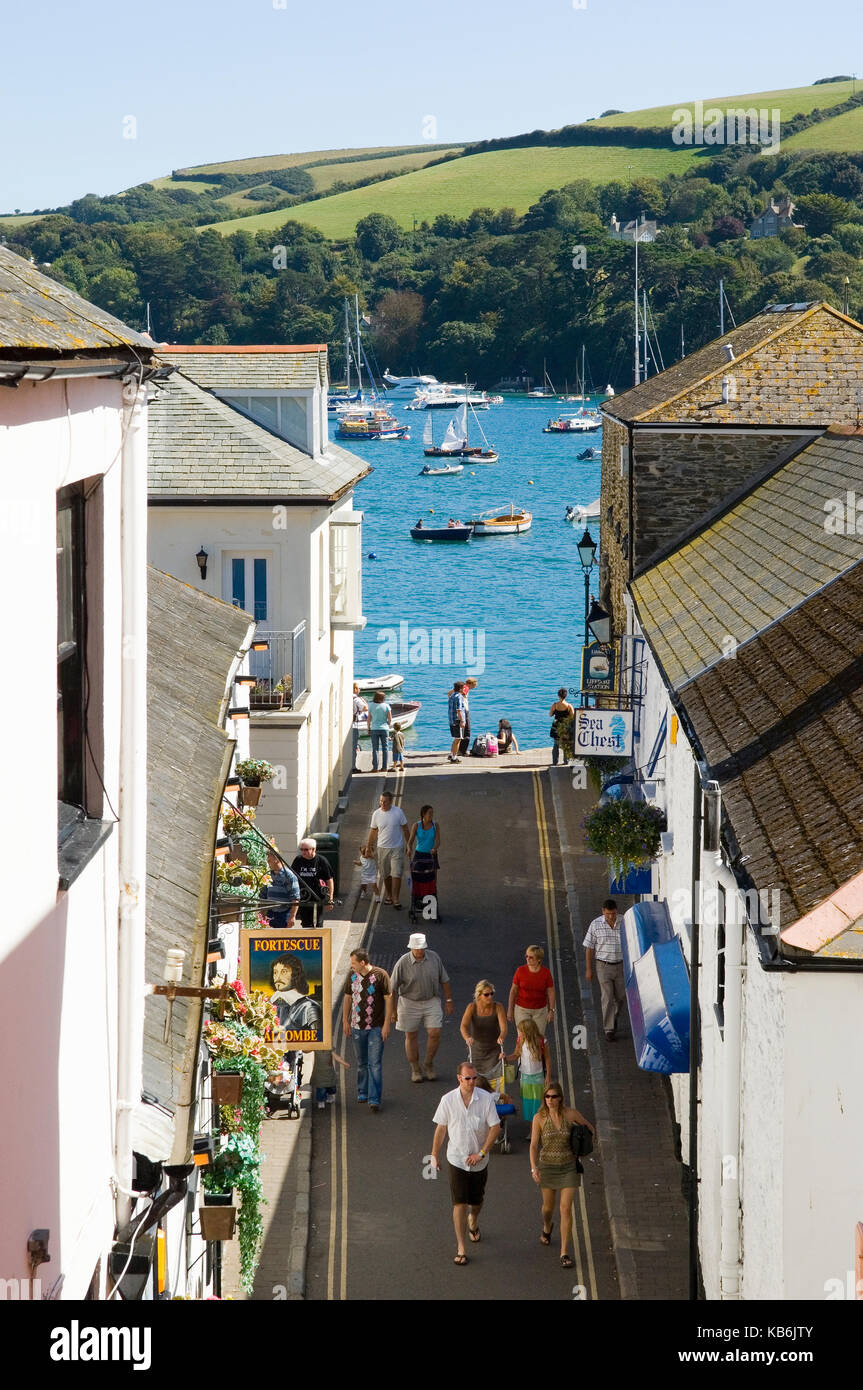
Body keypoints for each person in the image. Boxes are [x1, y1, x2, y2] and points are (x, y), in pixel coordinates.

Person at [431, 1061, 501, 1264]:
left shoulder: (486, 1099)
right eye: (467, 1078)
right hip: (456, 1159)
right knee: (459, 1202)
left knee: (476, 1201)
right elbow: (441, 1129)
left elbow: (495, 1128)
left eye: (474, 1078)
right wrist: (434, 1154)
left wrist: (481, 1153)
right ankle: (461, 1247)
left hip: (479, 1160)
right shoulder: (448, 1100)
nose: (471, 1082)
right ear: (459, 1078)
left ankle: (474, 1219)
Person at [529, 1082, 595, 1268]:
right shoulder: (539, 1118)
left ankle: (564, 1252)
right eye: (547, 1097)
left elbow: (591, 1130)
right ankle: (547, 1226)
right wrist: (534, 1168)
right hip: (547, 1167)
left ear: (560, 1098)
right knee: (547, 1208)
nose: (550, 1100)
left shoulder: (570, 1114)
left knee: (565, 1209)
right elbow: (534, 1145)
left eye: (554, 1096)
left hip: (569, 1168)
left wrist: (583, 1150)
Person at [389, 931, 453, 1082]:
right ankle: (415, 1068)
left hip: (431, 999)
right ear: (411, 948)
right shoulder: (402, 963)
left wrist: (449, 1000)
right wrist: (392, 1011)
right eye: (416, 948)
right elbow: (391, 989)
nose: (419, 951)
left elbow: (444, 979)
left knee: (435, 1032)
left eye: (421, 948)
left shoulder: (434, 957)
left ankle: (428, 1063)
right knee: (411, 1035)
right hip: (408, 1002)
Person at [342, 948, 393, 1113]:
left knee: (375, 1064)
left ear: (362, 962)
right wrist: (345, 1020)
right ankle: (362, 1092)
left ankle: (374, 1099)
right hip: (357, 1027)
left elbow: (389, 999)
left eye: (353, 963)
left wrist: (387, 1024)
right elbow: (348, 997)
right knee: (361, 1063)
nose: (352, 966)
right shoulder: (352, 976)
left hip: (376, 1028)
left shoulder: (380, 975)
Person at [583, 898, 625, 1041]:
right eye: (608, 914)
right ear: (603, 912)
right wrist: (589, 969)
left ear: (616, 911)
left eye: (613, 913)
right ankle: (609, 1029)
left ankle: (613, 1017)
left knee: (620, 997)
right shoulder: (595, 925)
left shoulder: (625, 922)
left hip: (621, 965)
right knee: (607, 997)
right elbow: (589, 948)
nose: (611, 917)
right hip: (603, 966)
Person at [367, 790, 409, 907]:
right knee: (385, 874)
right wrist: (369, 846)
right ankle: (389, 895)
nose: (382, 804)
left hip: (397, 848)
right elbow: (373, 830)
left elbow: (405, 828)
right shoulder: (376, 814)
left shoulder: (398, 812)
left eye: (385, 802)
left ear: (391, 802)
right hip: (382, 848)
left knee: (396, 873)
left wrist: (409, 845)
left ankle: (396, 899)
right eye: (381, 801)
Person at [460, 981, 508, 1079]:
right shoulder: (472, 1007)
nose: (490, 996)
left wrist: (501, 1037)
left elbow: (504, 1028)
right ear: (479, 995)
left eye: (491, 994)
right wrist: (467, 1037)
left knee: (493, 1078)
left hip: (493, 1049)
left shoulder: (498, 1007)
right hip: (476, 1049)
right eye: (486, 994)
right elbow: (463, 1026)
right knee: (476, 1078)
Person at [507, 1017, 549, 1123]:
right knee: (528, 1104)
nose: (519, 1033)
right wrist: (505, 1058)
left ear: (528, 1031)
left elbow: (548, 1059)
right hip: (525, 1077)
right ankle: (532, 1131)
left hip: (538, 1076)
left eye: (521, 1031)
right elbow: (516, 1055)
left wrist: (548, 1075)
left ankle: (540, 1128)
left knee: (538, 1103)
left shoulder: (542, 1041)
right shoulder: (520, 1041)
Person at [507, 945, 556, 1035]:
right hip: (522, 1009)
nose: (528, 959)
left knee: (538, 1038)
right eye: (526, 956)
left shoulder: (546, 973)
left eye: (531, 957)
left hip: (540, 1011)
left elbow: (551, 992)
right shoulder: (520, 971)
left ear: (539, 960)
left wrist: (551, 1010)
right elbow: (513, 991)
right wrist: (510, 1009)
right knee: (523, 1037)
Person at [269, 954, 322, 1035]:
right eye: (275, 972)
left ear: (295, 974)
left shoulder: (309, 1007)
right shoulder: (270, 1004)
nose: (278, 977)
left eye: (284, 972)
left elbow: (317, 1039)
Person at [290, 837, 335, 928]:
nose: (303, 852)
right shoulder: (298, 860)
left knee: (318, 923)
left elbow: (329, 880)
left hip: (318, 897)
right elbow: (292, 877)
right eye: (302, 849)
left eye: (306, 850)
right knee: (306, 924)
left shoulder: (322, 861)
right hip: (303, 897)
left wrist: (330, 899)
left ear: (313, 849)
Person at [263, 849, 300, 928]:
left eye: (269, 860)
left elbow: (295, 898)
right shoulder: (268, 874)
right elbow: (263, 895)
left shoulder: (289, 875)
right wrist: (262, 913)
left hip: (284, 914)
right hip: (270, 913)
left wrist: (292, 916)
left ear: (276, 860)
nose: (268, 863)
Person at [549, 688, 575, 765]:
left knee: (556, 744)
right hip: (565, 727)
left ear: (558, 696)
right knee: (565, 744)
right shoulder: (569, 706)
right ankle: (566, 761)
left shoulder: (555, 705)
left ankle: (555, 762)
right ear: (565, 696)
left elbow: (550, 714)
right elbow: (572, 717)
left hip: (556, 726)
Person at [369, 690, 393, 772]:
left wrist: (368, 728)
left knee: (375, 749)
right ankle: (384, 767)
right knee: (385, 748)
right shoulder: (386, 706)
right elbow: (390, 719)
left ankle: (375, 768)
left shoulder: (371, 705)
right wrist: (388, 724)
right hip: (384, 729)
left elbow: (369, 719)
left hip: (374, 729)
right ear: (383, 698)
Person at [448, 679, 466, 764]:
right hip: (457, 721)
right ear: (460, 689)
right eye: (463, 688)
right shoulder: (459, 696)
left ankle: (451, 754)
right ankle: (454, 758)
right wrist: (462, 721)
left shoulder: (452, 695)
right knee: (458, 740)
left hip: (452, 720)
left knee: (455, 739)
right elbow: (459, 710)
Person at [351, 683, 368, 773]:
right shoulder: (356, 699)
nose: (360, 689)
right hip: (353, 724)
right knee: (353, 746)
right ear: (355, 689)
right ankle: (353, 767)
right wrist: (364, 701)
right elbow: (365, 708)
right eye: (359, 688)